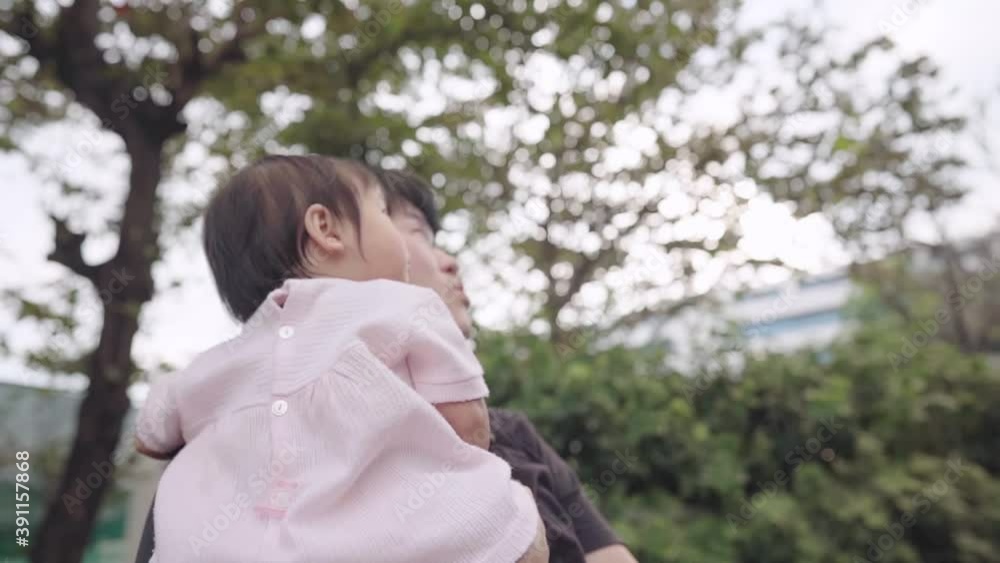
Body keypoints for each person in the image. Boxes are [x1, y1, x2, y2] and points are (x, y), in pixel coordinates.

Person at [134, 163, 638, 563]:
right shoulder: (217, 465)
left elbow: (155, 423)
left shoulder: (519, 438)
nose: (449, 260)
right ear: (326, 231)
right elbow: (467, 430)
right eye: (412, 231)